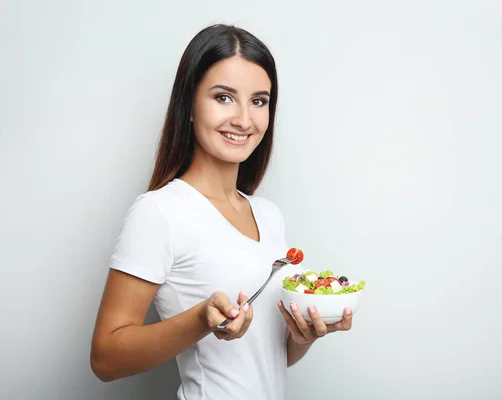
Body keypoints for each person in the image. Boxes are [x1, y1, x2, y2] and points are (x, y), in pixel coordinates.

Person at [90, 24, 353, 399]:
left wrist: (303, 335)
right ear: (190, 106)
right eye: (224, 97)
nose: (244, 120)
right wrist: (201, 319)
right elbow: (105, 359)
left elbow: (266, 358)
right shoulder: (160, 212)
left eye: (259, 101)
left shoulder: (268, 215)